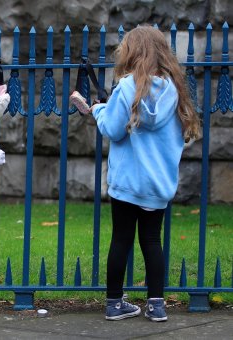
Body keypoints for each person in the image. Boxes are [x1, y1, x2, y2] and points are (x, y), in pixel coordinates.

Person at [89, 26, 201, 322]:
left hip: (127, 182)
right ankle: (157, 305)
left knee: (121, 239)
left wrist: (99, 110)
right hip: (157, 184)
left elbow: (112, 129)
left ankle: (114, 304)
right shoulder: (175, 91)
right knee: (152, 240)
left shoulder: (126, 87)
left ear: (131, 52)